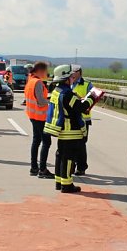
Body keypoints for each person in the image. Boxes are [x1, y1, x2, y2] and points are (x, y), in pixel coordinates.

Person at [44, 64, 100, 193]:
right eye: (70, 76)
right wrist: (92, 97)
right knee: (68, 157)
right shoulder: (67, 93)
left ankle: (59, 182)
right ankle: (67, 184)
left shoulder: (57, 91)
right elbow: (81, 108)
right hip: (71, 130)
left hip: (62, 129)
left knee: (60, 154)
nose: (72, 78)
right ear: (65, 78)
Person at [24, 61, 53, 179]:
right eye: (46, 71)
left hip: (33, 115)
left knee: (36, 141)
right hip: (41, 116)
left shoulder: (30, 80)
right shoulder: (38, 82)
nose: (47, 73)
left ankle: (34, 167)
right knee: (46, 142)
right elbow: (41, 102)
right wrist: (51, 101)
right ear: (40, 71)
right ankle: (42, 169)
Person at [70, 64, 94, 175]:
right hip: (71, 118)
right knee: (72, 143)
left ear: (79, 72)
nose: (72, 74)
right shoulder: (69, 83)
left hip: (84, 118)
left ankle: (81, 167)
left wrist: (83, 100)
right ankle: (71, 166)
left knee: (81, 144)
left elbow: (93, 98)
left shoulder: (87, 84)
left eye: (74, 72)